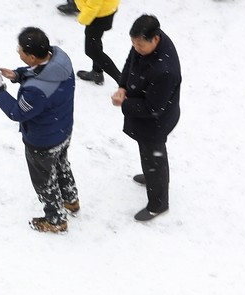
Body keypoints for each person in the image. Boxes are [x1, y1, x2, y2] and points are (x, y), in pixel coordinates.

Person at [0, 27, 79, 234]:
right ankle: (70, 199)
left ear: (31, 57)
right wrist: (18, 75)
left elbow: (17, 112)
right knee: (61, 164)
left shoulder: (35, 91)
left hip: (43, 141)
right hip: (63, 130)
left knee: (44, 180)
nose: (17, 51)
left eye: (20, 50)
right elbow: (41, 72)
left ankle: (55, 220)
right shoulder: (61, 60)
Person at [112, 15, 182, 222]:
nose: (136, 48)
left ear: (155, 39)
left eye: (140, 45)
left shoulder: (165, 71)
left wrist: (123, 103)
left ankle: (158, 204)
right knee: (149, 155)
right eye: (133, 43)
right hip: (146, 117)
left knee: (154, 157)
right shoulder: (147, 42)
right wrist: (122, 85)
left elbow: (153, 108)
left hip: (156, 123)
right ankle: (151, 175)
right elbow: (131, 60)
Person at [70, 0, 122, 86]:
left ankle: (122, 81)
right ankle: (97, 72)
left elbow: (94, 5)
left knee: (92, 51)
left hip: (97, 14)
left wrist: (84, 17)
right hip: (104, 9)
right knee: (95, 42)